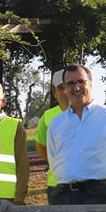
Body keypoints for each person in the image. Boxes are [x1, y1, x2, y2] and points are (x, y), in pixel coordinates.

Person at [46, 65, 106, 205]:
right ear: (65, 88)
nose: (76, 87)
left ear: (90, 83)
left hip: (96, 196)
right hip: (62, 197)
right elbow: (53, 159)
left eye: (81, 82)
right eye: (70, 83)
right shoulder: (56, 123)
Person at [36, 69, 67, 203]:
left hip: (87, 185)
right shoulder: (48, 117)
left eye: (68, 86)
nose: (65, 92)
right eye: (61, 88)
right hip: (56, 184)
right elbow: (41, 147)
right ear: (54, 92)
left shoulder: (89, 114)